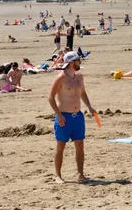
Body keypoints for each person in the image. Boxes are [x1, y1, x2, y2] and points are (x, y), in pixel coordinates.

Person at [48, 51, 96, 183]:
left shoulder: (79, 76)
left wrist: (90, 107)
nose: (80, 63)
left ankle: (80, 174)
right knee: (61, 146)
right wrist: (58, 115)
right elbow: (50, 97)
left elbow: (83, 93)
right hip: (64, 116)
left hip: (77, 116)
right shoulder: (61, 78)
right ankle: (58, 175)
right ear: (71, 63)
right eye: (77, 61)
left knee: (80, 144)